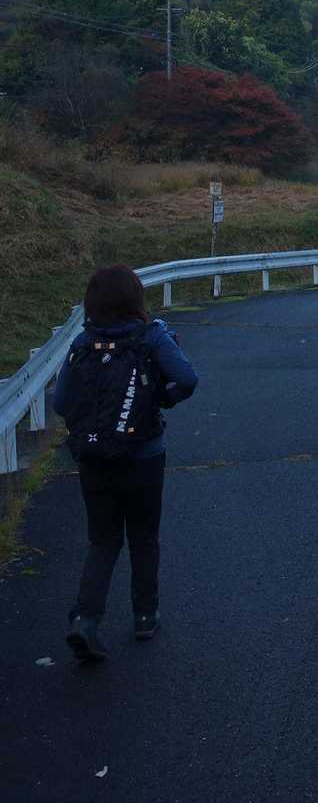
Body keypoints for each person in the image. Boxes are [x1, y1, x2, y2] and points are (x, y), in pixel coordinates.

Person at [53, 263, 198, 663]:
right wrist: (162, 398)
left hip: (94, 458)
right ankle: (145, 616)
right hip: (144, 455)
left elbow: (61, 403)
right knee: (144, 538)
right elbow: (187, 378)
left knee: (102, 541)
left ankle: (85, 620)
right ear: (135, 297)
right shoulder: (151, 336)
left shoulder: (83, 343)